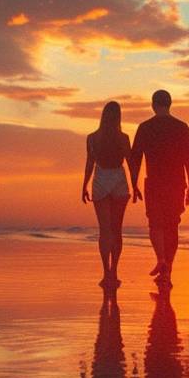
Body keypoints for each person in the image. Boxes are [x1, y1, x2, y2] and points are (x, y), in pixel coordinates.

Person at [129, 89, 189, 285]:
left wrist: (134, 184)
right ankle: (168, 271)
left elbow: (135, 159)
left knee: (155, 225)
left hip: (155, 182)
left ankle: (161, 259)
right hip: (176, 183)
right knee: (172, 226)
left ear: (153, 105)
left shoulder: (145, 127)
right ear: (170, 104)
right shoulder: (182, 127)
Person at [81, 101, 132, 287]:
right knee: (117, 229)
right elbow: (131, 162)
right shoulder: (123, 138)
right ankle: (114, 271)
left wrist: (84, 185)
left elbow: (89, 163)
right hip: (119, 179)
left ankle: (106, 272)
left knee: (105, 229)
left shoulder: (92, 138)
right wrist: (135, 185)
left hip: (100, 179)